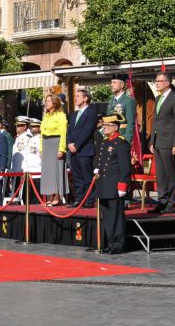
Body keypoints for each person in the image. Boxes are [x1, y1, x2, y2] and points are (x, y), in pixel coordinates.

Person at [149, 72, 175, 214]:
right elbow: (156, 122)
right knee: (161, 174)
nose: (156, 83)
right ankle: (162, 200)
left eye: (159, 81)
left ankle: (172, 202)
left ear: (168, 82)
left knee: (170, 174)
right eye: (156, 80)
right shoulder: (158, 98)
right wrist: (152, 141)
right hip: (158, 142)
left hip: (169, 142)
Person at [95, 114, 131, 255]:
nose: (104, 128)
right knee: (108, 216)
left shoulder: (121, 143)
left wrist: (123, 184)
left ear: (115, 127)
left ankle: (118, 244)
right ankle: (110, 243)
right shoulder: (105, 142)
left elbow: (125, 166)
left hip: (115, 184)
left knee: (116, 216)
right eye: (104, 125)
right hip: (104, 184)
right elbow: (101, 160)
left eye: (107, 126)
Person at [66, 89, 98, 208]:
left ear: (85, 98)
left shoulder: (91, 112)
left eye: (78, 96)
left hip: (85, 149)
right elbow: (69, 130)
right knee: (77, 177)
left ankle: (90, 200)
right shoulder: (74, 114)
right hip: (73, 151)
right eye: (75, 96)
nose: (75, 98)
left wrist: (77, 145)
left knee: (87, 176)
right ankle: (79, 199)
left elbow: (87, 131)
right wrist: (69, 143)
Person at [40, 93, 68, 206]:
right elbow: (42, 133)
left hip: (56, 143)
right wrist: (41, 149)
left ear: (55, 103)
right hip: (46, 144)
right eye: (46, 101)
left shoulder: (61, 115)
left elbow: (63, 133)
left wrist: (61, 149)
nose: (46, 103)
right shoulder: (46, 116)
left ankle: (57, 195)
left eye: (49, 101)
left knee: (56, 170)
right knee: (48, 172)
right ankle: (50, 195)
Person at [106, 74, 136, 144]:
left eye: (114, 82)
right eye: (111, 83)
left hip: (121, 137)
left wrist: (126, 140)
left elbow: (130, 122)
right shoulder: (111, 100)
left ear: (122, 85)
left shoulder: (128, 100)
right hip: (110, 137)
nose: (111, 85)